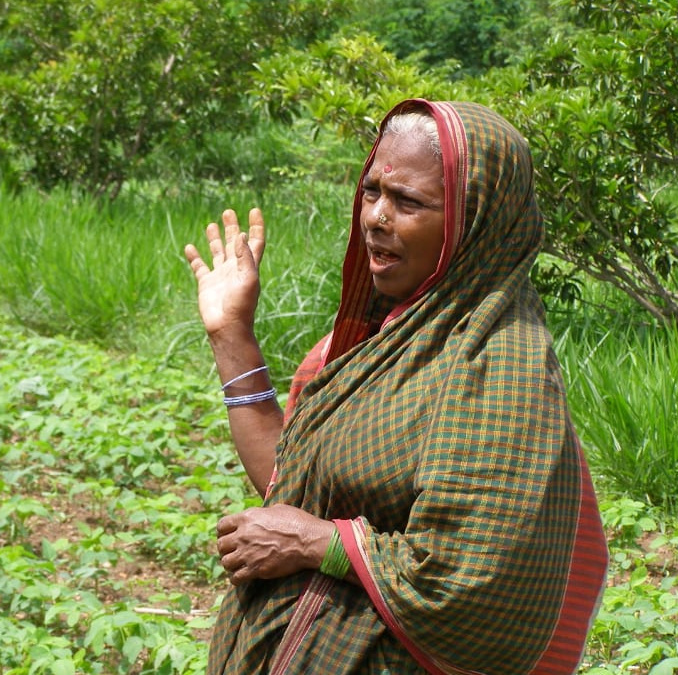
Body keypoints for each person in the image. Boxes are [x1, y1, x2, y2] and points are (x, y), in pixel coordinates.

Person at [183, 98, 608, 675]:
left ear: (474, 220)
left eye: (409, 201)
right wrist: (231, 334)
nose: (376, 217)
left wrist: (319, 545)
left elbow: (470, 583)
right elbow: (297, 489)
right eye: (372, 190)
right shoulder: (387, 335)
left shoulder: (497, 367)